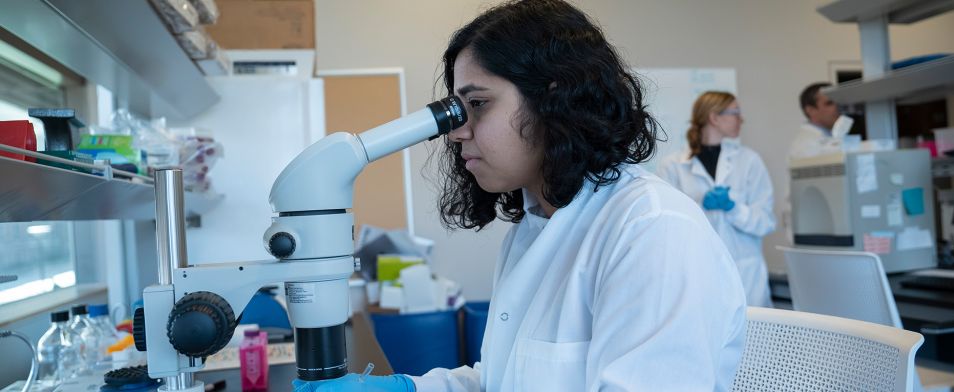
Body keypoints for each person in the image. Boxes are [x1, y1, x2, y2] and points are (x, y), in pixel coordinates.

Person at [293, 0, 746, 391]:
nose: (455, 133)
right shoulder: (534, 226)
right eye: (456, 109)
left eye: (478, 104)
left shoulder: (652, 233)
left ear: (555, 99)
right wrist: (409, 386)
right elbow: (504, 379)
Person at [657, 91, 776, 308]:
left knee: (754, 337)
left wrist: (733, 208)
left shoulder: (749, 161)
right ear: (714, 118)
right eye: (735, 112)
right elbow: (667, 229)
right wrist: (699, 207)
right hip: (697, 273)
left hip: (746, 276)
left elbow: (765, 222)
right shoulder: (673, 166)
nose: (741, 119)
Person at [789, 82, 842, 160]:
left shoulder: (828, 136)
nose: (837, 107)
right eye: (829, 103)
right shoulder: (806, 146)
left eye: (837, 102)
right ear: (811, 110)